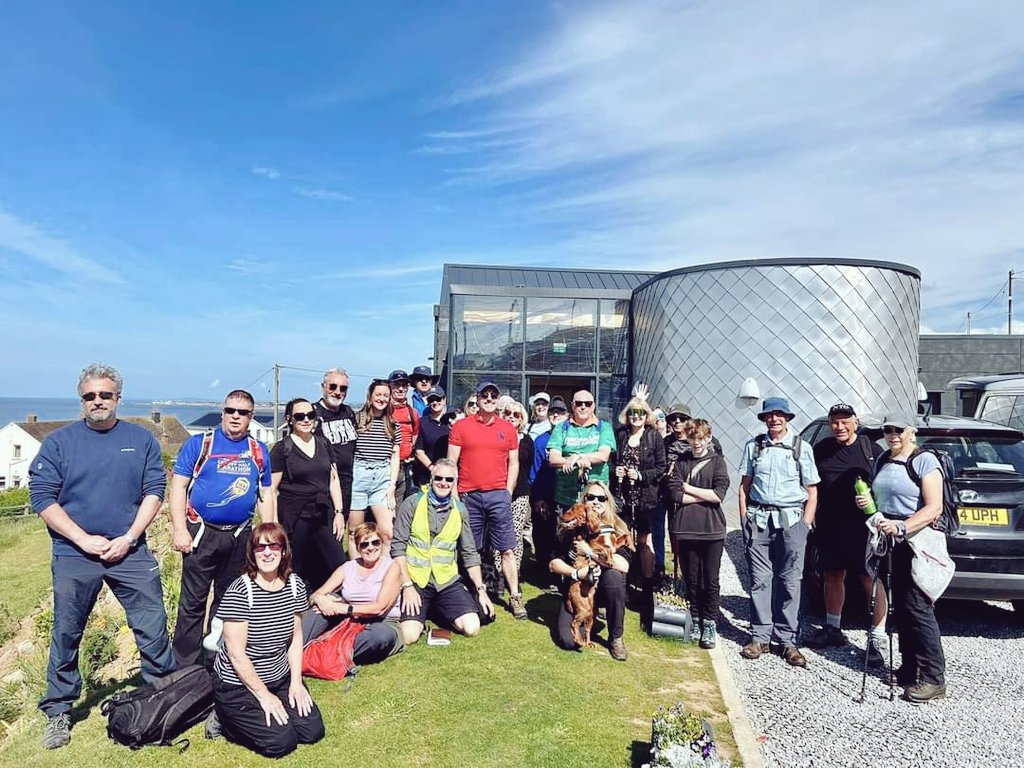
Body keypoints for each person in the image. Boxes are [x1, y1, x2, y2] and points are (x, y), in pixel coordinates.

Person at [29, 363, 176, 750]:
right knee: (66, 630)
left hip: (130, 550)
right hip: (75, 552)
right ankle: (59, 710)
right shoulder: (59, 443)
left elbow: (154, 490)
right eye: (90, 396)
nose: (98, 401)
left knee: (152, 624)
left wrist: (129, 537)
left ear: (118, 399)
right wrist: (83, 539)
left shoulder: (141, 440)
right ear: (82, 400)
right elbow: (42, 498)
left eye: (105, 395)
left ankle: (161, 693)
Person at [170, 388, 273, 667]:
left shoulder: (258, 451)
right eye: (230, 410)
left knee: (228, 600)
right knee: (193, 602)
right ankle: (184, 667)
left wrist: (270, 534)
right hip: (203, 533)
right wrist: (180, 530)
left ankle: (216, 658)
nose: (235, 416)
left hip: (240, 535)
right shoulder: (201, 444)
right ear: (223, 412)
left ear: (251, 417)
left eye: (242, 412)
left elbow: (266, 494)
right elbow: (178, 487)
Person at [211, 523, 324, 757]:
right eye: (260, 547)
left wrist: (296, 683)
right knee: (281, 742)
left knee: (311, 731)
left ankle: (266, 709)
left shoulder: (295, 586)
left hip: (278, 675)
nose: (267, 552)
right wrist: (264, 696)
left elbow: (295, 638)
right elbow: (236, 654)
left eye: (274, 545)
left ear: (284, 550)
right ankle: (225, 720)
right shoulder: (240, 592)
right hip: (239, 684)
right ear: (252, 553)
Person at [858, 415, 947, 703]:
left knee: (918, 607)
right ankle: (910, 669)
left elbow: (934, 507)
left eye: (899, 430)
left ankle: (934, 679)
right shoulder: (884, 458)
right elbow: (883, 496)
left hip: (915, 542)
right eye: (888, 430)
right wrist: (868, 502)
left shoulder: (925, 461)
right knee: (903, 607)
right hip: (890, 539)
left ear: (912, 432)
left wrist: (903, 526)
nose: (892, 435)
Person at [738, 396, 820, 668]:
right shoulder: (754, 446)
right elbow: (744, 486)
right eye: (770, 415)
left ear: (787, 418)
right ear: (764, 419)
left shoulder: (801, 448)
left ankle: (786, 640)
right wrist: (744, 519)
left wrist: (806, 524)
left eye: (779, 415)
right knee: (760, 579)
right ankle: (760, 637)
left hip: (792, 520)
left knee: (790, 581)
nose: (775, 419)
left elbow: (811, 490)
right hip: (759, 520)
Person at [804, 403, 887, 666]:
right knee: (832, 575)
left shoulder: (869, 449)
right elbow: (811, 484)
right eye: (835, 422)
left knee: (869, 580)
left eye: (844, 421)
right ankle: (832, 628)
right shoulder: (822, 449)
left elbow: (886, 487)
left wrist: (873, 500)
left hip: (862, 529)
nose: (839, 427)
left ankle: (876, 639)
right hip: (829, 526)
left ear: (855, 421)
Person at [391, 459, 495, 643]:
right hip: (416, 581)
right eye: (438, 478)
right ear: (430, 479)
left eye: (449, 479)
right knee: (409, 636)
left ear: (454, 482)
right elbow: (397, 548)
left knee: (472, 628)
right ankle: (423, 613)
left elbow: (469, 553)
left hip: (446, 582)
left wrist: (481, 590)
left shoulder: (460, 510)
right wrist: (406, 586)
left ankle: (436, 609)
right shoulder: (412, 503)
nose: (443, 483)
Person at [448, 382, 527, 619]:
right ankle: (474, 592)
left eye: (494, 395)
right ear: (478, 398)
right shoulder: (462, 426)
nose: (489, 398)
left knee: (507, 549)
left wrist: (507, 491)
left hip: (498, 497)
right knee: (470, 548)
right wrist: (455, 496)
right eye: (485, 395)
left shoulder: (508, 429)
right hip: (469, 497)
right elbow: (451, 463)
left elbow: (514, 464)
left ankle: (514, 597)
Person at [549, 480, 634, 661]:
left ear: (607, 502)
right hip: (578, 591)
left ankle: (615, 637)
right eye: (591, 497)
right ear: (584, 500)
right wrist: (575, 574)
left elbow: (623, 565)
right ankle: (586, 619)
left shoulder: (615, 527)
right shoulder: (571, 526)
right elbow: (553, 563)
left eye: (601, 498)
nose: (596, 502)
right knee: (568, 641)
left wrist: (589, 552)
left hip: (603, 590)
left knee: (613, 577)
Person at [666, 419, 730, 649]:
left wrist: (689, 488)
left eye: (701, 439)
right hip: (685, 528)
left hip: (712, 529)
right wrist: (703, 494)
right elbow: (674, 494)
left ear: (708, 438)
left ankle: (709, 622)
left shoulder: (717, 462)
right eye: (693, 439)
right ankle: (694, 618)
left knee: (710, 580)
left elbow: (719, 494)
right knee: (691, 578)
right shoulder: (681, 462)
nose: (697, 443)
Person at [270, 399, 345, 589]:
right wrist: (272, 523)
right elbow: (271, 489)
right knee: (293, 568)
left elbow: (333, 480)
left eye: (310, 415)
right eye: (299, 416)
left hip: (322, 513)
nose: (306, 420)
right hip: (294, 517)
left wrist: (339, 513)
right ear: (289, 419)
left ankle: (330, 607)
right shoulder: (282, 449)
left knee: (339, 564)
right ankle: (287, 610)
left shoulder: (324, 443)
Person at [303, 522, 404, 665]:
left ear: (381, 543)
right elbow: (314, 595)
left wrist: (346, 608)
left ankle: (324, 654)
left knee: (379, 636)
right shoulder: (348, 568)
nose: (371, 548)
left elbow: (379, 608)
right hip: (350, 621)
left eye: (375, 542)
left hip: (382, 622)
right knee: (322, 606)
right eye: (364, 545)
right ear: (357, 548)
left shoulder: (391, 567)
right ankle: (293, 649)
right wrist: (321, 600)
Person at [611, 397, 667, 583]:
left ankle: (647, 583)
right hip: (623, 497)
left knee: (644, 540)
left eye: (640, 413)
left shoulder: (654, 436)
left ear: (646, 416)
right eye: (632, 413)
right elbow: (611, 462)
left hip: (646, 498)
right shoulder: (620, 434)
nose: (636, 417)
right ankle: (622, 582)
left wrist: (641, 475)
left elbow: (661, 468)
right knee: (622, 538)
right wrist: (615, 470)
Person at [349, 380, 401, 559]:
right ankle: (356, 573)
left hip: (382, 477)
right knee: (355, 531)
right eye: (378, 394)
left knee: (387, 532)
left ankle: (383, 573)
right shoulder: (357, 419)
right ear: (370, 396)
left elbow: (395, 456)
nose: (382, 398)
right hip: (359, 475)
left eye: (386, 395)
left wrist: (392, 486)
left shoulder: (393, 424)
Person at [548, 389, 616, 515]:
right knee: (566, 533)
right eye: (579, 403)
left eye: (588, 404)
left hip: (596, 497)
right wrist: (578, 462)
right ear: (573, 405)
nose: (583, 407)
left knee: (595, 533)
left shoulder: (604, 427)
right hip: (567, 497)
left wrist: (577, 456)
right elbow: (553, 458)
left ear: (594, 406)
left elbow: (603, 456)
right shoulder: (561, 428)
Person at [529, 396, 569, 588]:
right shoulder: (541, 440)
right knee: (542, 534)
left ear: (566, 415)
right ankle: (544, 571)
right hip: (545, 495)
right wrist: (537, 498)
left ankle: (561, 574)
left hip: (566, 495)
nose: (555, 415)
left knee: (562, 536)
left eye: (560, 412)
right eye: (553, 411)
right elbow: (534, 472)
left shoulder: (572, 438)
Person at [313, 368, 358, 520]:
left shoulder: (348, 412)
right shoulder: (312, 414)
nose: (337, 392)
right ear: (323, 387)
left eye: (343, 388)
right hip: (324, 485)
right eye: (333, 387)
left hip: (347, 483)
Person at [498, 400, 535, 579]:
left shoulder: (527, 441)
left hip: (519, 493)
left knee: (515, 533)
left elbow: (529, 467)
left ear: (522, 419)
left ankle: (514, 572)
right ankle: (498, 571)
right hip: (497, 490)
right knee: (497, 532)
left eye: (516, 415)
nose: (511, 417)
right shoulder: (495, 436)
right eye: (507, 413)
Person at [388, 369, 420, 501]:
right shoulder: (385, 410)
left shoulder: (413, 412)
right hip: (387, 465)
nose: (401, 389)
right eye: (396, 385)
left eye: (404, 385)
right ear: (390, 387)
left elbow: (415, 435)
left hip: (406, 466)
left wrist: (410, 454)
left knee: (404, 504)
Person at [413, 385, 451, 487]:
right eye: (431, 400)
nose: (435, 402)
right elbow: (418, 451)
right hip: (426, 477)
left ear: (444, 400)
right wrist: (433, 469)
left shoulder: (452, 421)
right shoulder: (422, 422)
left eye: (438, 399)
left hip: (449, 477)